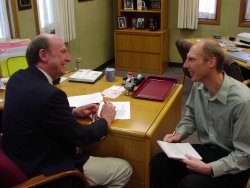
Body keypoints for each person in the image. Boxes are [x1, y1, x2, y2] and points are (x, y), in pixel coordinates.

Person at [2, 33, 132, 187]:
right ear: (43, 55)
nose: (69, 58)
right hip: (47, 169)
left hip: (21, 156)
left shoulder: (17, 78)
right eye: (63, 52)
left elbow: (37, 110)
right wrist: (106, 119)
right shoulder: (51, 95)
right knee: (124, 169)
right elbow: (81, 137)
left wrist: (72, 112)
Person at [150, 39, 250, 188]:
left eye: (191, 60)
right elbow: (191, 115)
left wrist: (209, 168)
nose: (184, 65)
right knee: (159, 162)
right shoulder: (199, 85)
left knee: (190, 184)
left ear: (211, 62)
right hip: (209, 152)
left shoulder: (243, 101)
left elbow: (244, 155)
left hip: (235, 164)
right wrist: (179, 133)